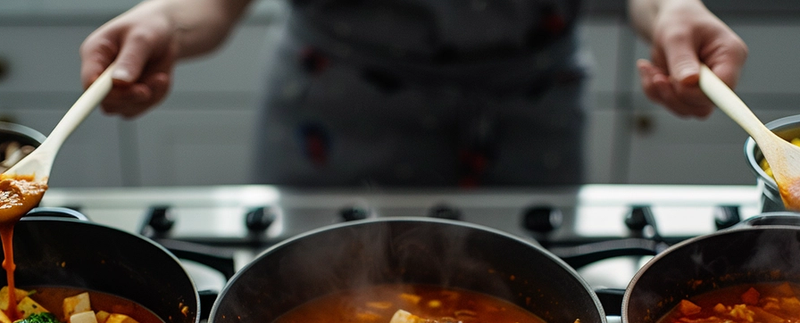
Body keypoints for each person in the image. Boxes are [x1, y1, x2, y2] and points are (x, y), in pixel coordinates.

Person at [79, 0, 747, 188]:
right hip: (335, 112)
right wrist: (164, 18)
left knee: (533, 293)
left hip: (527, 112)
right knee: (304, 285)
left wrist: (672, 13)